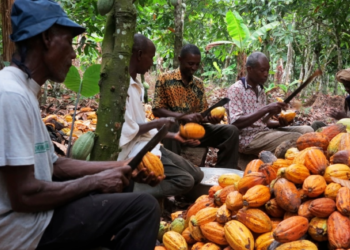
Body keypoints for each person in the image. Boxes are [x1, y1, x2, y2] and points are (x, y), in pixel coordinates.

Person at [0, 1, 161, 250]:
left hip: (38, 218)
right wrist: (96, 182)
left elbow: (55, 165)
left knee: (124, 186)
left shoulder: (23, 90)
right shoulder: (11, 94)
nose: (74, 54)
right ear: (46, 38)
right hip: (24, 232)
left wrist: (123, 165)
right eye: (69, 43)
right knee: (144, 208)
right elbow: (24, 195)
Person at [118, 34, 204, 199]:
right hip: (134, 151)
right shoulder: (123, 87)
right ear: (139, 55)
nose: (151, 62)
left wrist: (175, 136)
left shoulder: (136, 85)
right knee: (185, 181)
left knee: (197, 175)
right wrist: (159, 123)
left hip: (149, 144)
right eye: (150, 57)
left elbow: (138, 125)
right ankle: (128, 190)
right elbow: (128, 130)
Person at [152, 44, 240, 169]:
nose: (194, 68)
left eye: (197, 64)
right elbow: (157, 109)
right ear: (180, 60)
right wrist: (184, 116)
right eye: (190, 63)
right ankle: (174, 169)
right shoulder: (165, 79)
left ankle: (224, 171)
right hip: (174, 131)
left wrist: (210, 119)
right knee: (171, 124)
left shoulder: (198, 83)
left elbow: (201, 114)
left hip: (194, 130)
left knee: (231, 131)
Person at [226, 52, 313, 157]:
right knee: (296, 138)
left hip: (264, 132)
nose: (266, 74)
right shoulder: (236, 89)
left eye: (267, 70)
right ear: (250, 69)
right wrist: (266, 109)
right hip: (248, 139)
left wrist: (280, 123)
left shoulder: (260, 89)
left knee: (308, 131)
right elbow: (235, 123)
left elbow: (263, 122)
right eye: (262, 70)